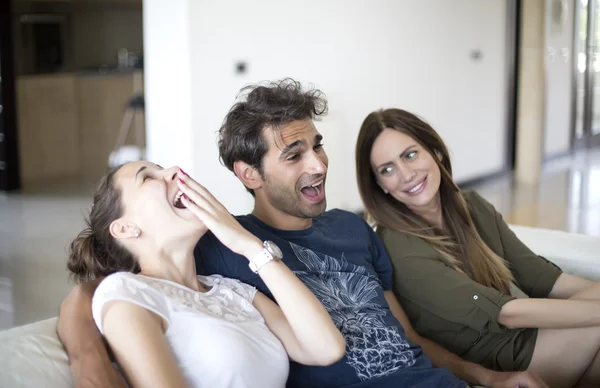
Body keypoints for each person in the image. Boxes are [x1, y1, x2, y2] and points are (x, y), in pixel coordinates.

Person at [58, 79, 544, 388]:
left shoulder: (343, 232)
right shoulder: (218, 247)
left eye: (318, 146)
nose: (319, 165)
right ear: (249, 175)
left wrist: (488, 378)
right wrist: (89, 366)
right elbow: (98, 291)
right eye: (294, 155)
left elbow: (404, 336)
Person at [355, 107, 600, 388]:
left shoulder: (471, 205)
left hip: (529, 337)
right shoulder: (398, 244)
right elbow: (506, 314)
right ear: (380, 185)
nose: (406, 174)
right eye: (387, 170)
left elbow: (543, 279)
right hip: (501, 359)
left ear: (435, 151)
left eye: (410, 155)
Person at [65, 161, 345, 388]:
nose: (174, 170)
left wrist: (250, 246)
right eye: (148, 177)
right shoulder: (127, 293)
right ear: (125, 229)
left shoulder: (232, 291)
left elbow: (326, 348)